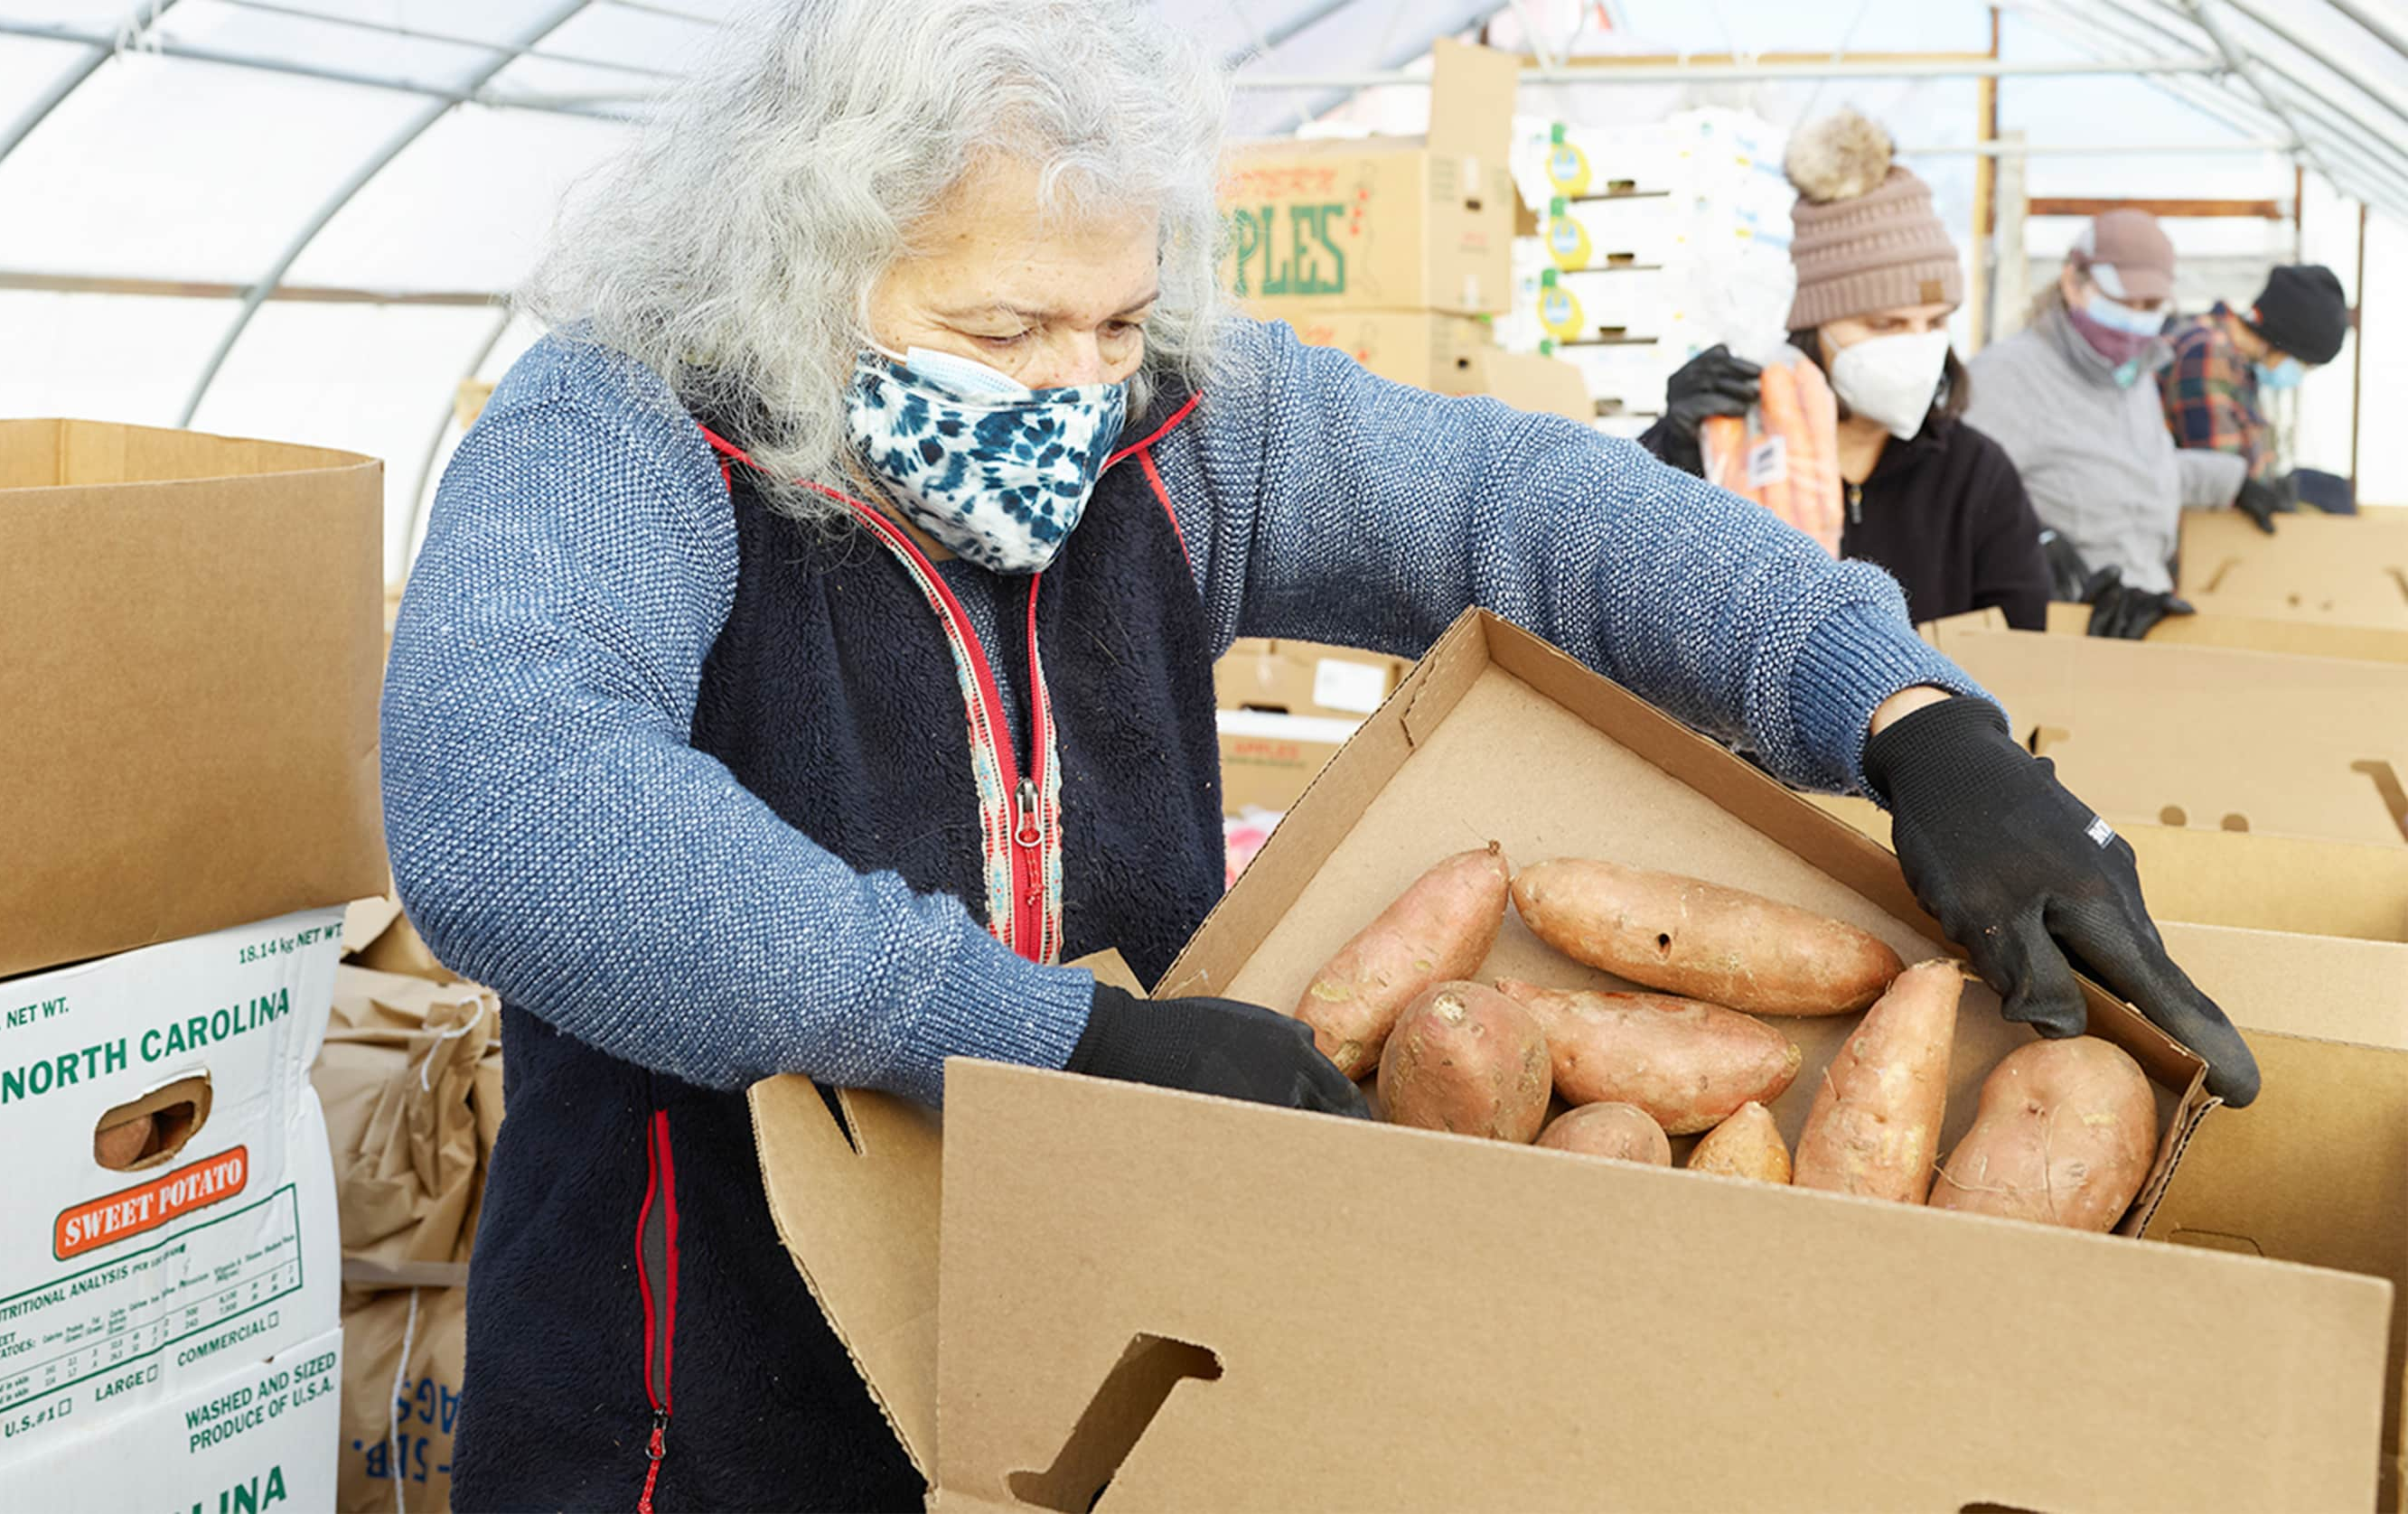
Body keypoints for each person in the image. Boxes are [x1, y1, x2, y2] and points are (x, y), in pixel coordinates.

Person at [382, 5, 2260, 1506]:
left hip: (1120, 1337)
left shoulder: (1188, 426)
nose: (1068, 381)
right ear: (794, 267)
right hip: (699, 1386)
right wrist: (1055, 1038)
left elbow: (1514, 506)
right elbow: (512, 799)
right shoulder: (625, 426)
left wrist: (1894, 711)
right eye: (996, 325)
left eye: (1111, 320)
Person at [1641, 109, 2053, 631]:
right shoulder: (1733, 449)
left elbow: (2023, 646)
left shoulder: (1975, 475)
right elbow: (1625, 584)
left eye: (1935, 322)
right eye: (1885, 324)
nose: (1918, 346)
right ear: (1815, 329)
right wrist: (1673, 455)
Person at [1964, 210, 2292, 637]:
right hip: (2062, 633)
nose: (2136, 318)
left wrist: (2232, 482)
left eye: (2151, 306)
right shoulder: (2005, 378)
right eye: (2122, 302)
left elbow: (2133, 471)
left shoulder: (2134, 378)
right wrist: (2031, 540)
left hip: (2142, 620)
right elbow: (1953, 495)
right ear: (2073, 283)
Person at [2160, 263, 2349, 499]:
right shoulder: (2209, 355)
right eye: (2303, 365)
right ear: (2285, 342)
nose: (2298, 375)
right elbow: (2220, 479)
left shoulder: (2238, 366)